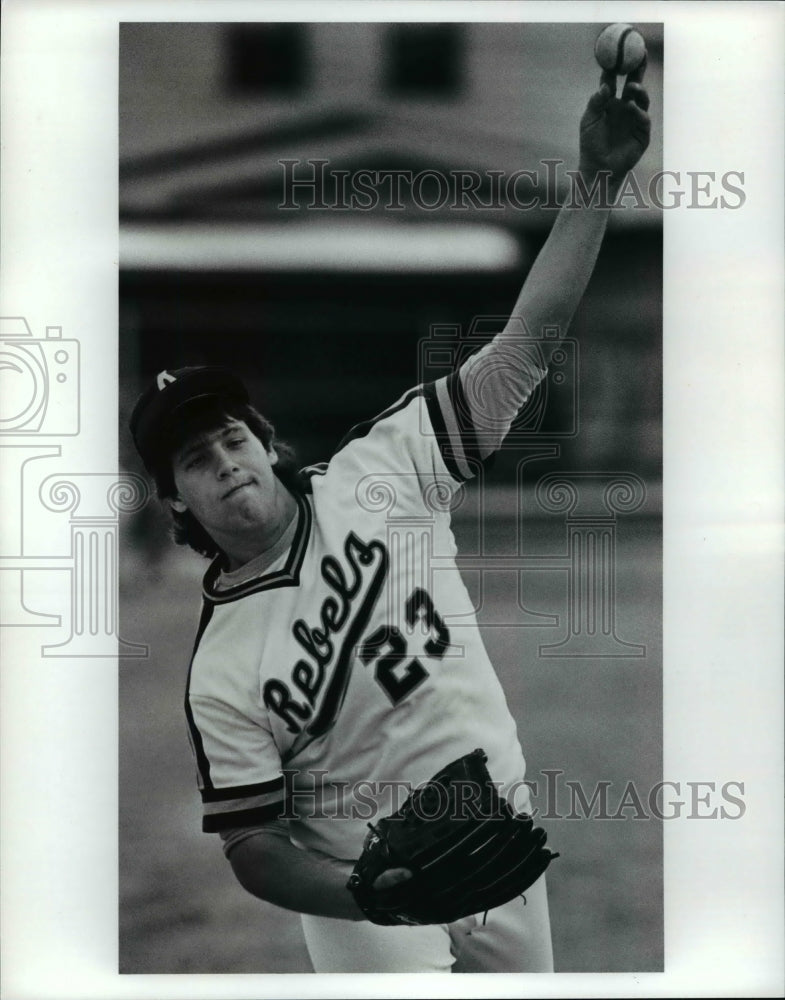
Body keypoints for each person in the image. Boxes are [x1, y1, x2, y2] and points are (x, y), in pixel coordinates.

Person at [129, 68, 650, 973]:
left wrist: (597, 179)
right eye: (192, 459)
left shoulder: (388, 465)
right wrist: (365, 894)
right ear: (177, 502)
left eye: (227, 437)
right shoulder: (219, 671)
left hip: (496, 830)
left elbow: (524, 347)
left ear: (262, 438)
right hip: (360, 888)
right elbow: (251, 846)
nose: (221, 460)